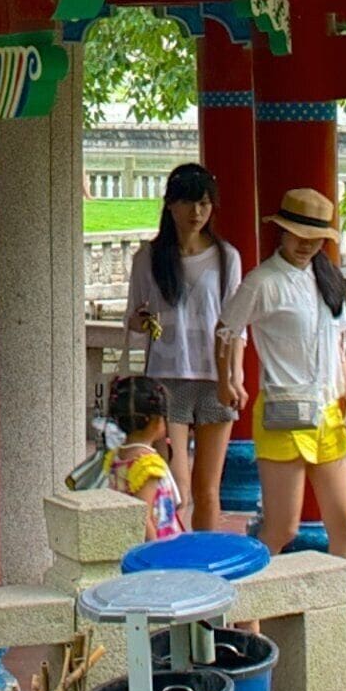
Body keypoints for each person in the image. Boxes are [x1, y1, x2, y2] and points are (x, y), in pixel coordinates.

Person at [216, 189, 346, 566]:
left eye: (314, 237)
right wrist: (228, 378)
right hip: (285, 408)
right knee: (282, 528)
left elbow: (336, 344)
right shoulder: (263, 281)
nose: (306, 244)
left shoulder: (327, 279)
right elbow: (228, 328)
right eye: (298, 234)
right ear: (282, 231)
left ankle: (340, 614)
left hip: (329, 410)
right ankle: (246, 598)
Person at [120, 163, 240, 520]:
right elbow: (133, 319)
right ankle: (173, 560)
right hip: (166, 377)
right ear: (170, 205)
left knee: (207, 490)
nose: (197, 212)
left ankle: (205, 566)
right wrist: (143, 321)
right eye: (188, 203)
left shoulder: (226, 257)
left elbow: (235, 327)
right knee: (178, 487)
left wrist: (234, 377)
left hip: (213, 378)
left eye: (204, 203)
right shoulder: (149, 258)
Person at [99, 374, 188, 542]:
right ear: (155, 420)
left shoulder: (117, 456)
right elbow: (144, 517)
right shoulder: (147, 465)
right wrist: (154, 554)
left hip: (127, 540)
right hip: (156, 547)